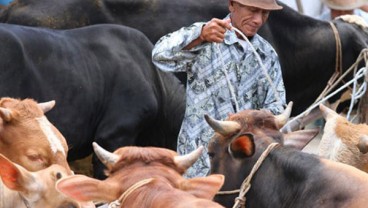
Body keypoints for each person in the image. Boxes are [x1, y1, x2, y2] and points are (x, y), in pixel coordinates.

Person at [152, 0, 286, 178]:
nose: (258, 20)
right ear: (232, 5)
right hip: (199, 162)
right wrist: (199, 35)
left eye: (265, 13)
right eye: (253, 11)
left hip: (244, 163)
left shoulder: (266, 54)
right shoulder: (206, 37)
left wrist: (253, 122)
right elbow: (159, 55)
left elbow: (277, 105)